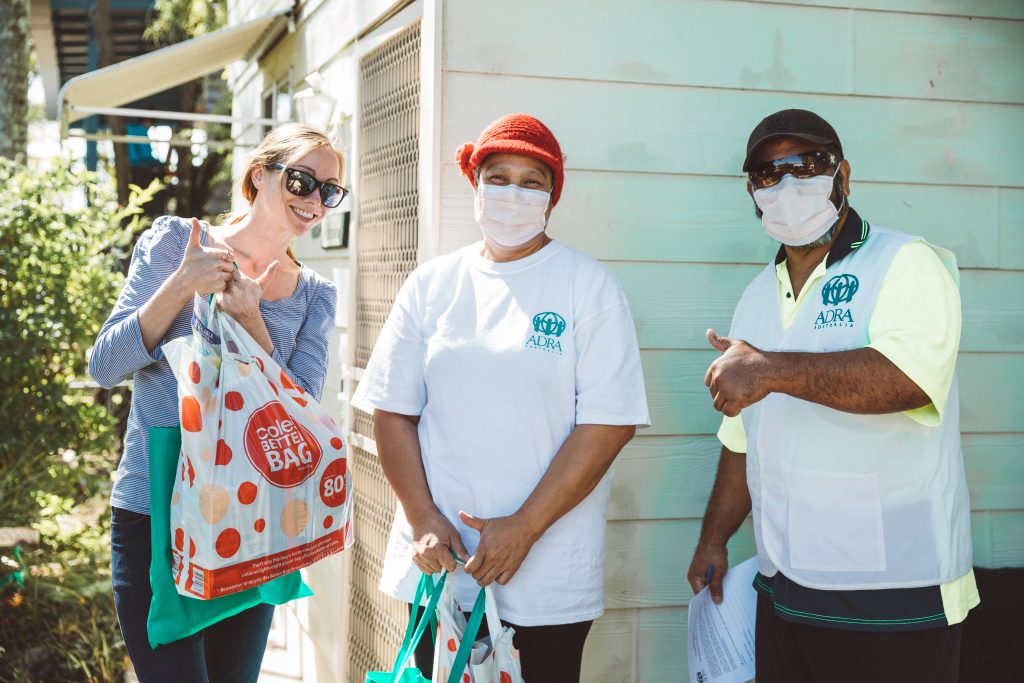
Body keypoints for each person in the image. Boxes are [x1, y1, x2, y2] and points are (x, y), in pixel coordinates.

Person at [352, 113, 649, 682]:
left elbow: (609, 423)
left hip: (547, 577)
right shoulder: (433, 284)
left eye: (532, 180)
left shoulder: (587, 287)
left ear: (551, 198)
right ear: (475, 185)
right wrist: (422, 518)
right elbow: (393, 409)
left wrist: (525, 527)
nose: (513, 192)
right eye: (498, 175)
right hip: (436, 565)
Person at [687, 109, 978, 683]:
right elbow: (742, 437)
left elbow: (909, 378)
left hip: (897, 589)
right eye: (769, 173)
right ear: (753, 193)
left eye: (808, 165)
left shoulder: (904, 262)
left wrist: (768, 370)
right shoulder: (755, 296)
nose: (789, 184)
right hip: (785, 586)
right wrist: (714, 539)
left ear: (843, 174)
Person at [89, 123, 344, 682]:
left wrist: (250, 318)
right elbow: (104, 366)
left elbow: (298, 415)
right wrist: (182, 284)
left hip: (249, 519)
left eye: (330, 190)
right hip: (153, 508)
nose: (314, 199)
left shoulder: (314, 295)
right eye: (303, 179)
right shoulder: (176, 243)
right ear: (261, 175)